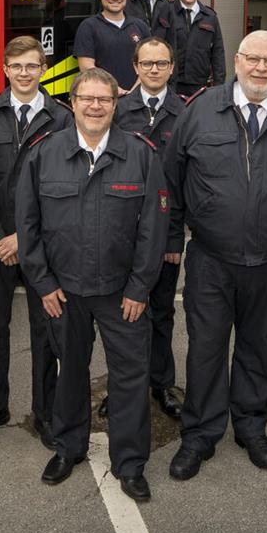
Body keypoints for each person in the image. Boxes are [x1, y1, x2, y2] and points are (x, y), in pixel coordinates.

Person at [164, 30, 267, 481]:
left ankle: (251, 427)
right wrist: (169, 242)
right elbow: (171, 181)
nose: (261, 68)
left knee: (260, 348)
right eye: (253, 59)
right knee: (205, 350)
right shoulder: (200, 110)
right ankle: (199, 435)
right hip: (211, 260)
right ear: (236, 61)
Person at [17, 67, 168, 504]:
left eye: (104, 99)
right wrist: (42, 283)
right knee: (69, 375)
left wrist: (140, 288)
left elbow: (153, 230)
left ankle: (131, 463)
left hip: (123, 295)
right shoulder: (44, 154)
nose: (95, 106)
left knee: (130, 377)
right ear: (73, 102)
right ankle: (68, 448)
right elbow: (28, 226)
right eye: (87, 98)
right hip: (64, 293)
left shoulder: (140, 155)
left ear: (115, 105)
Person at [0, 37, 73, 449]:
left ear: (43, 69)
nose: (24, 73)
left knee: (45, 330)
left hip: (41, 242)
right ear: (5, 70)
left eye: (31, 66)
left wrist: (22, 238)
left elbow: (62, 188)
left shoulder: (61, 118)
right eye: (16, 67)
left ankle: (44, 413)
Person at [108, 37, 188, 420]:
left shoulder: (186, 113)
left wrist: (175, 237)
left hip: (165, 236)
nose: (154, 70)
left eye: (161, 63)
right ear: (135, 68)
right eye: (147, 63)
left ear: (172, 67)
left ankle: (161, 383)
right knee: (120, 317)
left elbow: (186, 182)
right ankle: (122, 385)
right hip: (122, 233)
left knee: (161, 312)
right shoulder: (118, 111)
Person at [74, 0, 151, 92]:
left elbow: (149, 63)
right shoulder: (88, 27)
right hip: (103, 99)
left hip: (137, 99)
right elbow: (86, 67)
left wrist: (134, 92)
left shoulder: (140, 26)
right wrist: (114, 90)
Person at [170, 0, 226, 97]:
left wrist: (219, 87)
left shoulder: (210, 17)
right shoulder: (168, 13)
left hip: (200, 86)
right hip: (172, 83)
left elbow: (218, 54)